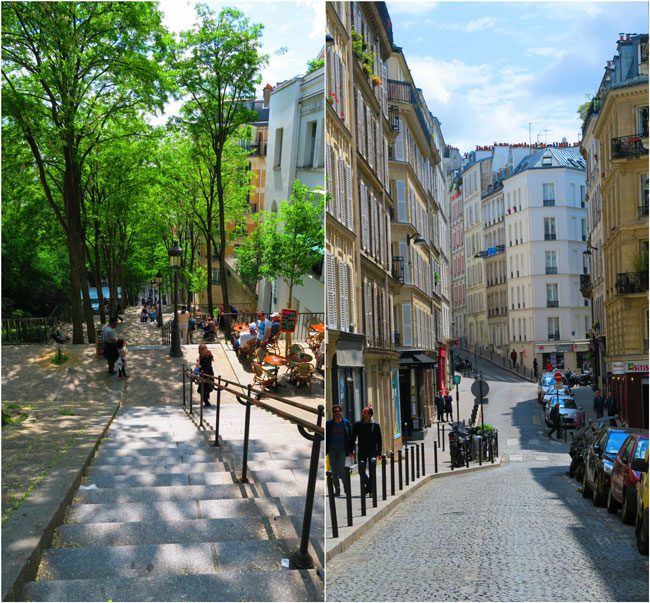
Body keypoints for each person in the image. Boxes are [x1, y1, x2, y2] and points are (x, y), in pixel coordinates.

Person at [325, 404, 354, 497]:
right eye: (335, 412)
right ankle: (337, 489)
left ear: (341, 412)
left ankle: (346, 486)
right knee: (333, 470)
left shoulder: (346, 423)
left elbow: (350, 437)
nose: (337, 413)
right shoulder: (329, 424)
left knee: (341, 469)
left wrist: (351, 450)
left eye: (339, 411)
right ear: (333, 413)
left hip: (342, 449)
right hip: (331, 449)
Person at [353, 406, 382, 496]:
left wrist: (379, 453)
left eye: (364, 412)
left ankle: (371, 491)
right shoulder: (357, 424)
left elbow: (379, 440)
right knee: (361, 470)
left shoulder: (375, 425)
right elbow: (353, 437)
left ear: (370, 415)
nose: (362, 413)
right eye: (362, 412)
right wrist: (350, 450)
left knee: (372, 470)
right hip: (361, 450)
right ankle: (369, 487)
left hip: (372, 451)